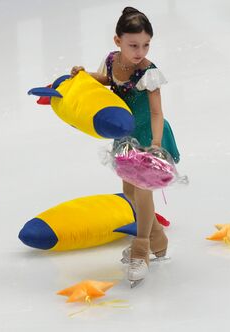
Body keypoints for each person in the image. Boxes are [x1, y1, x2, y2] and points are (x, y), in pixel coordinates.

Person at [71, 7, 180, 286]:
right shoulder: (110, 61)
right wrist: (84, 75)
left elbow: (157, 113)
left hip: (149, 137)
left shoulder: (149, 72)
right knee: (130, 192)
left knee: (143, 193)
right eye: (133, 45)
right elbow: (108, 82)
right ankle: (158, 239)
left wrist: (155, 146)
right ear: (118, 41)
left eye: (145, 45)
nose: (140, 51)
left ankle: (141, 248)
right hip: (124, 138)